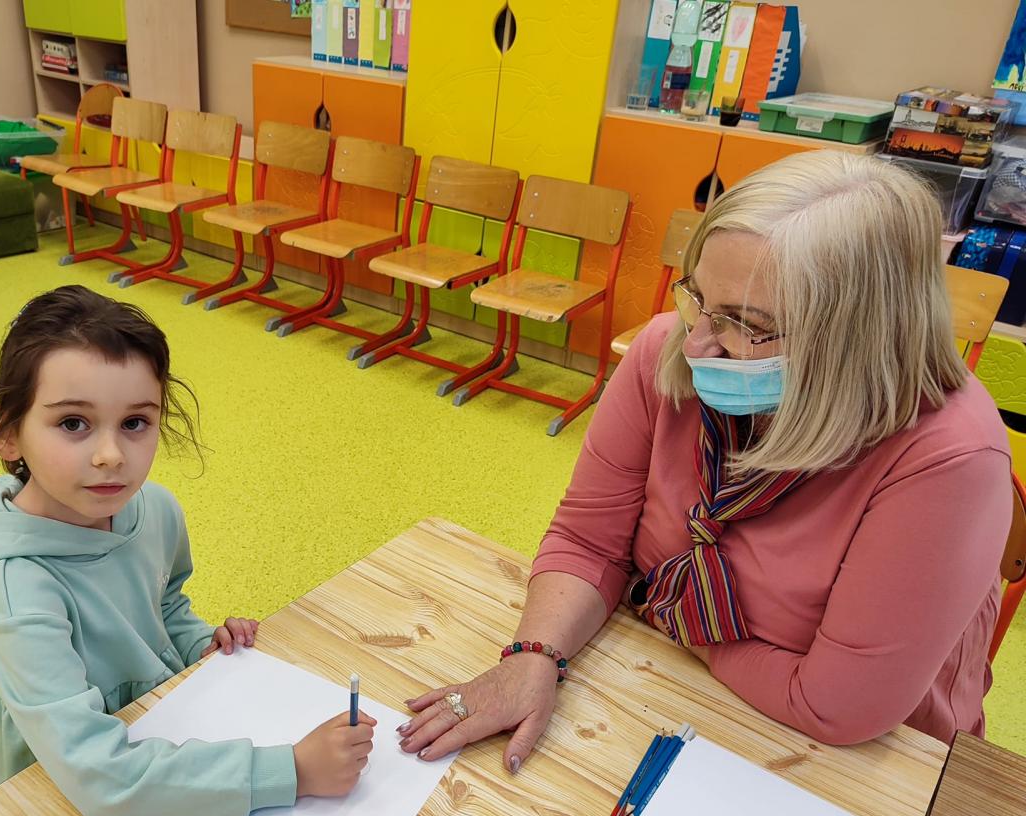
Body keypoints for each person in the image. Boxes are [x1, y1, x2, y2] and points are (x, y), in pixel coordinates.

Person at [398, 152, 1013, 769]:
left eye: (746, 324)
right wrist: (535, 655)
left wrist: (666, 613)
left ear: (859, 337)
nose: (694, 343)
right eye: (697, 297)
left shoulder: (947, 459)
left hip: (867, 761)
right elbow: (588, 541)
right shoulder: (664, 353)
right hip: (664, 684)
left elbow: (837, 707)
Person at [0, 285, 374, 816]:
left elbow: (165, 605)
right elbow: (97, 776)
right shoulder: (12, 590)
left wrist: (199, 643)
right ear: (7, 432)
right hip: (45, 786)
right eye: (73, 423)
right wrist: (294, 771)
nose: (111, 455)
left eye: (134, 423)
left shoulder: (154, 509)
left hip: (155, 728)